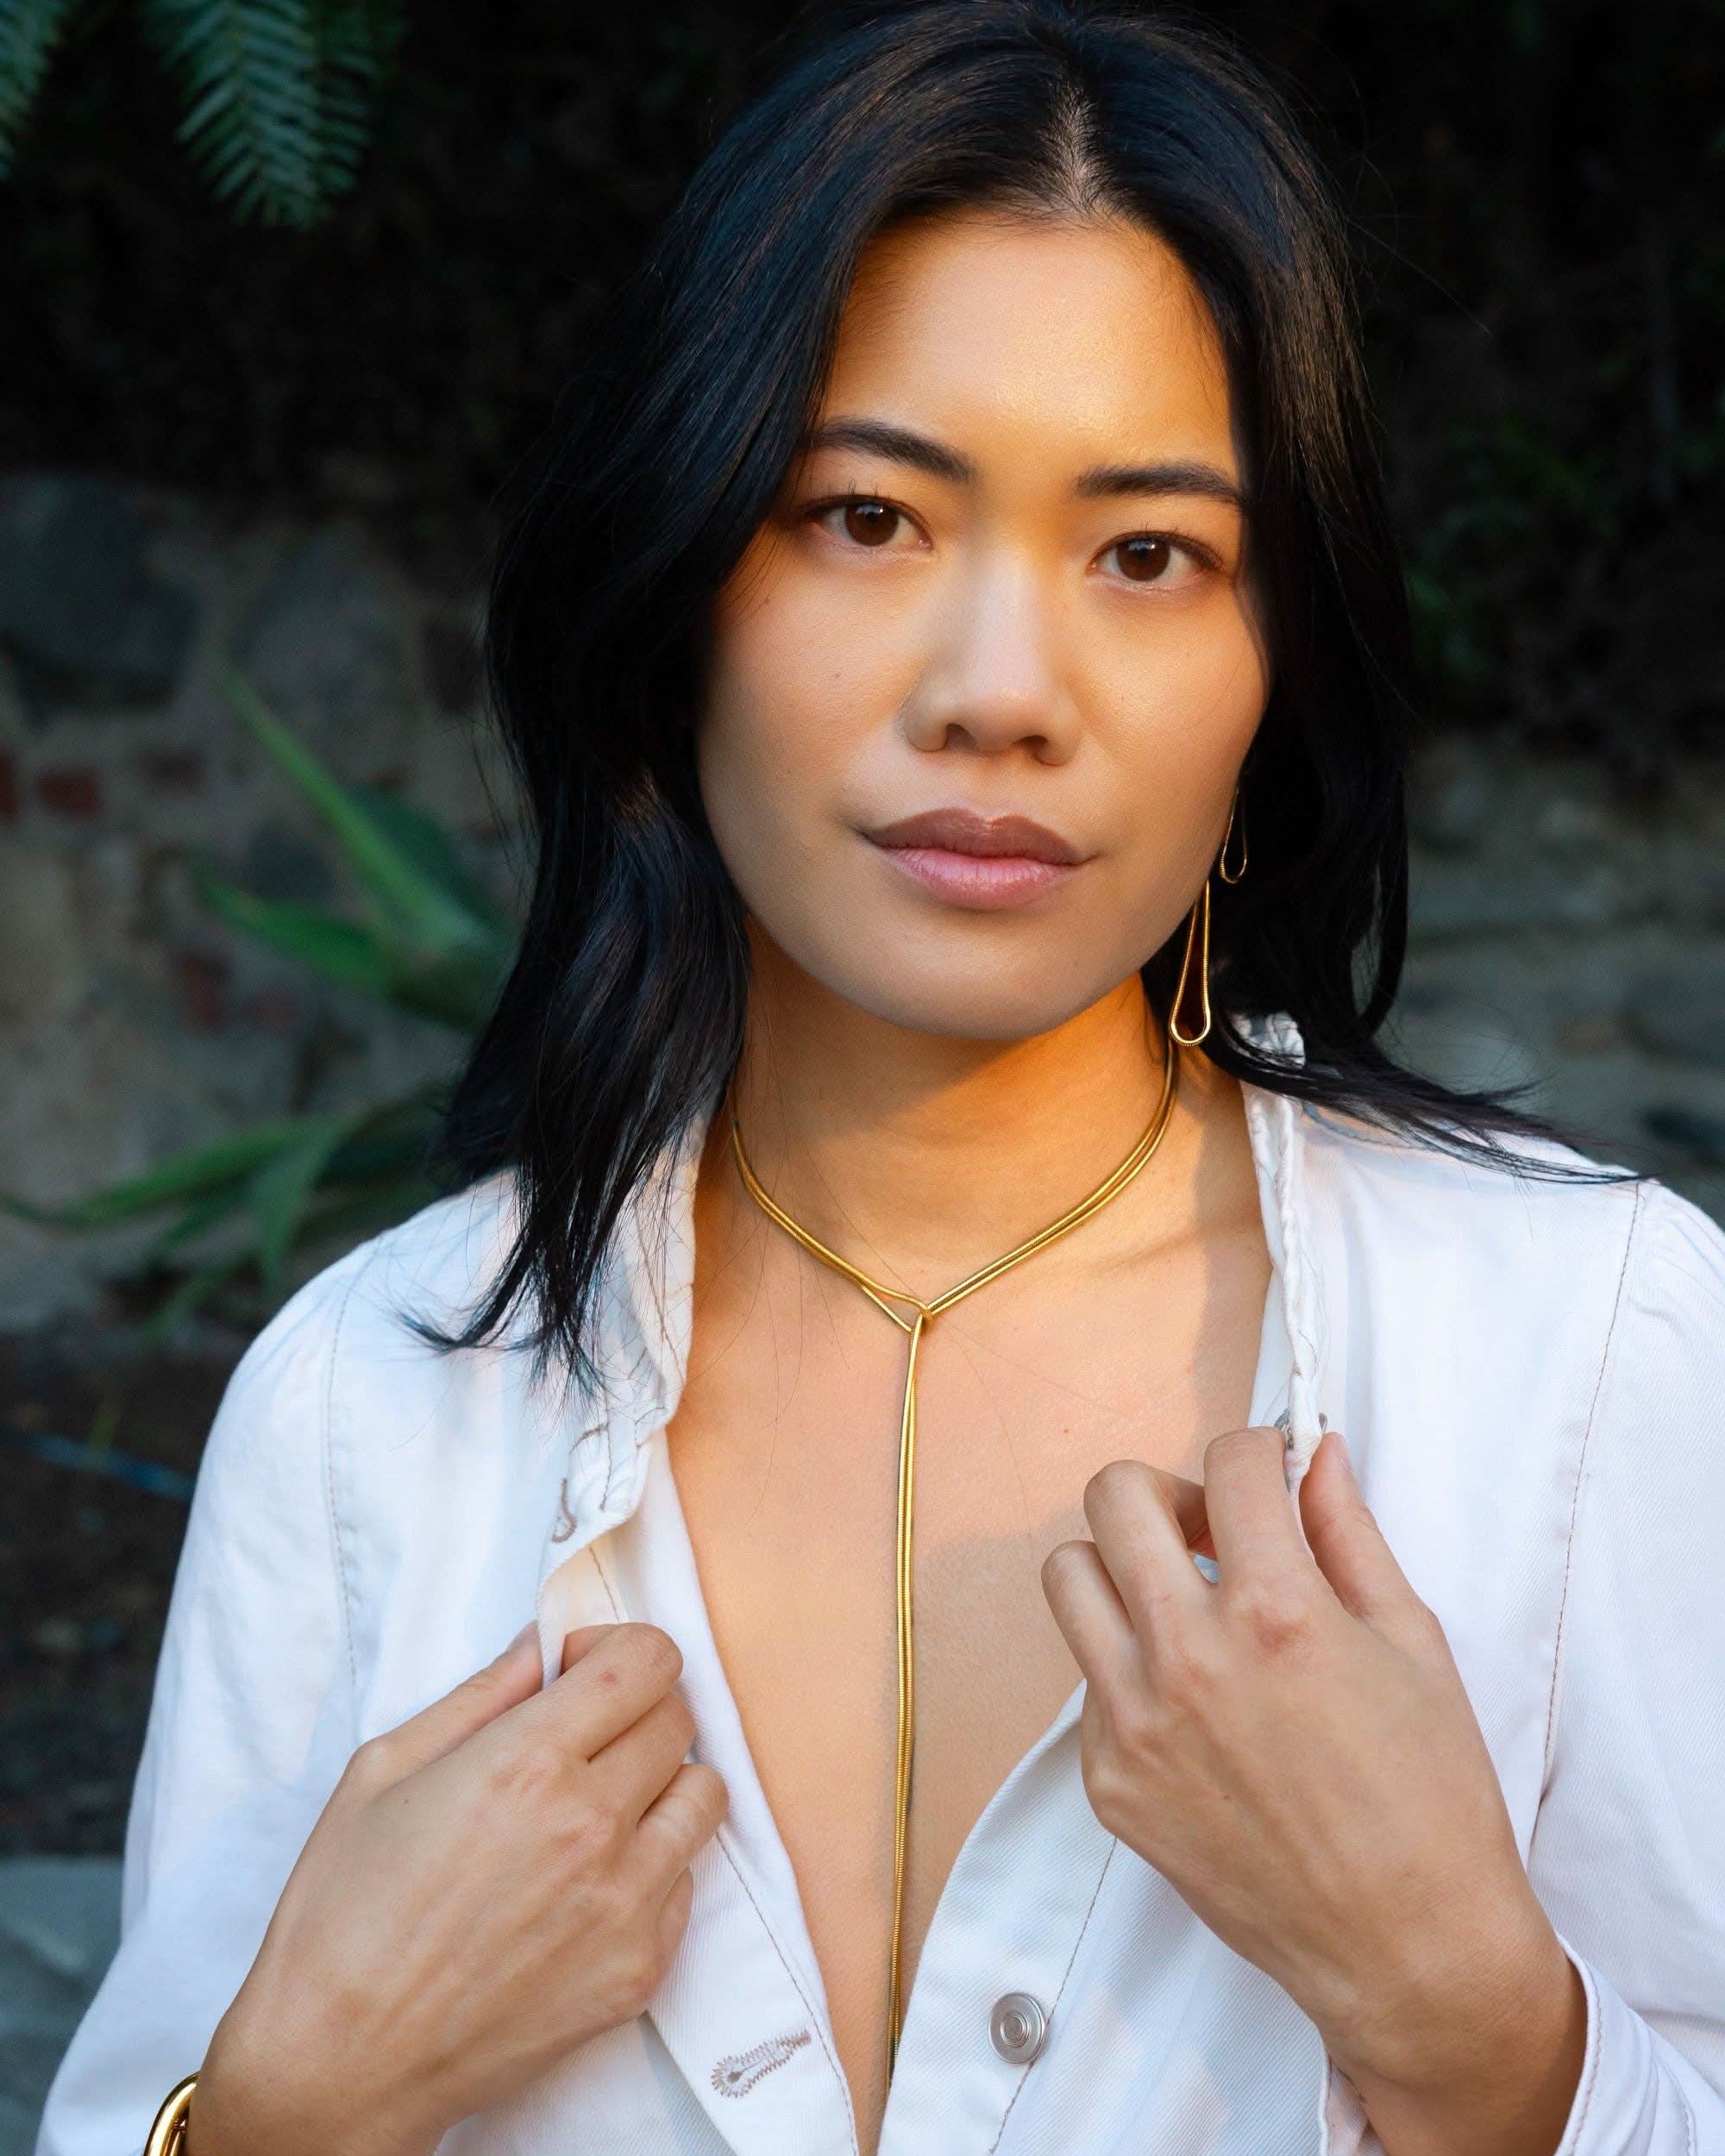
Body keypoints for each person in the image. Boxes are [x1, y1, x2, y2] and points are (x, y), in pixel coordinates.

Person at [37, 4, 1725, 2153]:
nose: (999, 691)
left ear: (1267, 675)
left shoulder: (1585, 1357)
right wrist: (285, 2102)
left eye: (1147, 553)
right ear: (674, 592)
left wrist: (1482, 2034)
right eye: (863, 514)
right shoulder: (368, 1416)